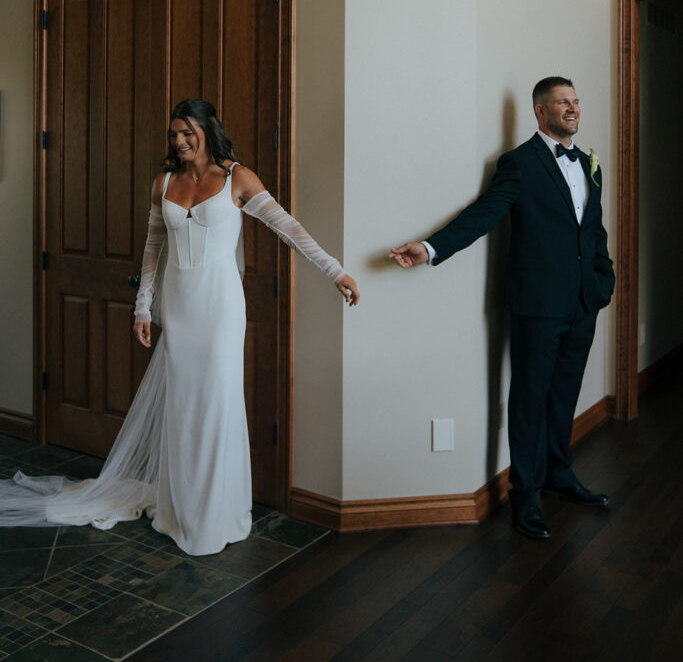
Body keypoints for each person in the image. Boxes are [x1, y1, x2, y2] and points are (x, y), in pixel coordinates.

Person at [0, 100, 358, 555]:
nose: (180, 141)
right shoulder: (164, 181)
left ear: (207, 131)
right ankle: (176, 511)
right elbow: (152, 248)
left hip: (221, 310)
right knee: (183, 409)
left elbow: (289, 228)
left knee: (216, 406)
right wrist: (142, 308)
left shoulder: (237, 178)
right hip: (179, 308)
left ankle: (216, 514)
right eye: (173, 135)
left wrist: (336, 272)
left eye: (187, 132)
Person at [389, 77, 614, 540]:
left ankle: (559, 471)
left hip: (582, 302)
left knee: (564, 391)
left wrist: (603, 279)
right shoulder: (520, 163)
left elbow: (593, 228)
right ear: (539, 110)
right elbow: (484, 213)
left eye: (575, 101)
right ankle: (526, 492)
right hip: (538, 304)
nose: (572, 108)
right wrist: (431, 248)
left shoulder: (588, 162)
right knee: (530, 396)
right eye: (561, 102)